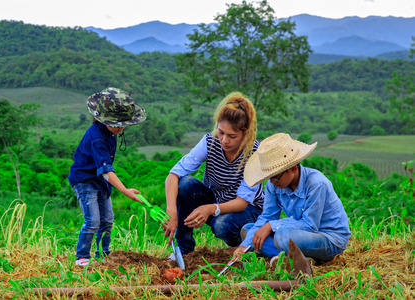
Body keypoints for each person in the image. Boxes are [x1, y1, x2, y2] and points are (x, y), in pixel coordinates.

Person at [163, 92, 264, 256]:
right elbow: (173, 175)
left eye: (232, 136)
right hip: (215, 204)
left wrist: (210, 208)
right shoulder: (209, 142)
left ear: (245, 134)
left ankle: (244, 246)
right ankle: (184, 249)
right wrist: (171, 212)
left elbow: (242, 203)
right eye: (221, 132)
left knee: (221, 225)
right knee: (186, 184)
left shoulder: (254, 154)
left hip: (247, 211)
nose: (224, 140)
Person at [233, 133, 351, 263]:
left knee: (283, 237)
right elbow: (267, 216)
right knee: (249, 232)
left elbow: (309, 225)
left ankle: (294, 256)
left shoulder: (317, 184)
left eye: (275, 177)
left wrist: (270, 226)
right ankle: (301, 258)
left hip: (329, 239)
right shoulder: (275, 185)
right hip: (300, 234)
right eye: (269, 177)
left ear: (293, 169)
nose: (272, 182)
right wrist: (244, 246)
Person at [68, 87, 146, 266]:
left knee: (107, 219)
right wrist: (125, 191)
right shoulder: (98, 137)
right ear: (103, 120)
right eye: (116, 124)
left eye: (123, 124)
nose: (120, 128)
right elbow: (106, 170)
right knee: (93, 220)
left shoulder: (112, 132)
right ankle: (82, 257)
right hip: (85, 179)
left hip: (100, 181)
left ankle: (103, 254)